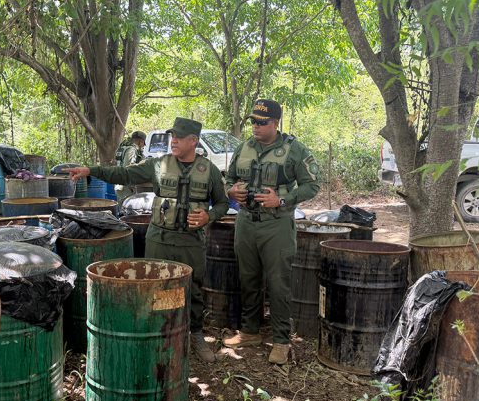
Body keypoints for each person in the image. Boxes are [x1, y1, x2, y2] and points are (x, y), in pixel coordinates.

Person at [65, 117, 229, 362]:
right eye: (172, 136)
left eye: (179, 137)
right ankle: (159, 336)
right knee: (156, 288)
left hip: (191, 242)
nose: (173, 141)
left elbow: (223, 203)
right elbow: (124, 174)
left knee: (193, 289)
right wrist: (91, 171)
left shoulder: (209, 170)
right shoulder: (158, 165)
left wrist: (209, 216)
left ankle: (195, 334)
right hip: (159, 239)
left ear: (193, 141)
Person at [223, 99, 321, 365]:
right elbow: (229, 178)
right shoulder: (244, 147)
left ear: (275, 123)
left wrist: (282, 199)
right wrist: (231, 190)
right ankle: (250, 331)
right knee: (248, 279)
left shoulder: (294, 149)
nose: (256, 126)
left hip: (276, 225)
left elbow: (312, 184)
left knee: (279, 284)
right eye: (253, 121)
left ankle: (281, 340)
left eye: (262, 122)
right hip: (245, 223)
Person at [114, 131, 147, 206]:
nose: (144, 146)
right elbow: (128, 168)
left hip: (120, 184)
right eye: (143, 143)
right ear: (140, 141)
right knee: (128, 208)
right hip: (125, 187)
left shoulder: (123, 147)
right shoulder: (131, 150)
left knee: (122, 208)